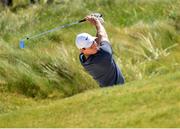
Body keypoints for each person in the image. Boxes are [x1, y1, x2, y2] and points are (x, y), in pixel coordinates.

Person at [75, 14, 125, 87]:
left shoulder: (82, 58)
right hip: (117, 87)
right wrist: (97, 22)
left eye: (93, 41)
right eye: (90, 45)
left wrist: (97, 24)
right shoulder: (104, 55)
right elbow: (102, 35)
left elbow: (98, 40)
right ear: (83, 50)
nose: (95, 45)